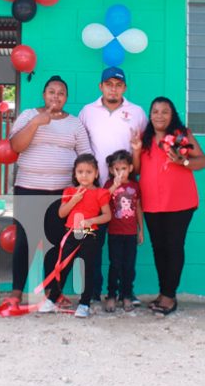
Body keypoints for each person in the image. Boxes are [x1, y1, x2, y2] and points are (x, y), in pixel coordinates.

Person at [3, 75, 93, 310]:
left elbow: (85, 155)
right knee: (25, 241)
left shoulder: (74, 124)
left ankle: (53, 293)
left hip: (62, 193)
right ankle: (16, 292)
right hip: (29, 188)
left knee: (56, 243)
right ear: (44, 95)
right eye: (51, 92)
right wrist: (36, 123)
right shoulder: (29, 115)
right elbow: (15, 146)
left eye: (61, 93)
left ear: (66, 98)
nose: (56, 96)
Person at [131, 97, 205, 315]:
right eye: (155, 111)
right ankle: (163, 292)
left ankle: (169, 296)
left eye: (165, 111)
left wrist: (181, 161)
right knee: (159, 248)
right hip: (152, 202)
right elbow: (136, 170)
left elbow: (202, 161)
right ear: (150, 115)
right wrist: (136, 150)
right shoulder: (144, 139)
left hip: (180, 201)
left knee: (173, 247)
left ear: (172, 114)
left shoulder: (182, 136)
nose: (159, 116)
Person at [78, 66, 147, 303]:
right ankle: (94, 291)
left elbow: (142, 150)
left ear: (124, 88)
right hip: (96, 188)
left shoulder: (137, 112)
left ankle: (125, 291)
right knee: (93, 241)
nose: (113, 89)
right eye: (109, 84)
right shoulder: (87, 111)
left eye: (118, 85)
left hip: (126, 189)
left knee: (124, 246)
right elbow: (80, 147)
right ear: (101, 86)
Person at [38, 154, 111, 318]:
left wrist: (91, 221)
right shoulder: (69, 191)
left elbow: (107, 216)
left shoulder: (101, 193)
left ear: (96, 173)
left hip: (89, 232)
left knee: (87, 269)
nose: (84, 175)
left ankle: (84, 303)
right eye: (80, 171)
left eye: (89, 172)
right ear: (75, 174)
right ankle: (52, 299)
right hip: (70, 233)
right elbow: (61, 213)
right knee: (63, 267)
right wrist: (74, 200)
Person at [103, 149, 143, 313]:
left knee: (129, 266)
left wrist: (141, 230)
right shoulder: (109, 185)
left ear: (131, 168)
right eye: (117, 169)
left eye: (124, 169)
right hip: (114, 232)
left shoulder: (135, 186)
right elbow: (103, 198)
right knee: (115, 265)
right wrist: (115, 185)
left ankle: (126, 295)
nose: (120, 173)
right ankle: (112, 295)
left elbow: (138, 207)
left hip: (131, 233)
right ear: (112, 170)